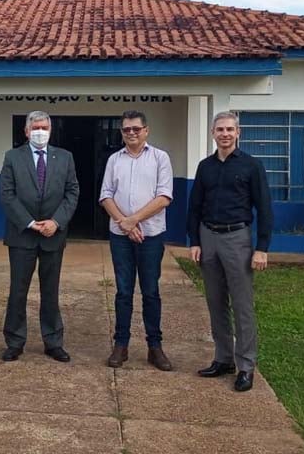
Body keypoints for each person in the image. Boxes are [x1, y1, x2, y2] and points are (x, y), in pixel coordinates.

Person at [187, 111, 273, 392]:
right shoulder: (205, 167)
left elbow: (265, 208)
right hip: (208, 236)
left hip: (237, 237)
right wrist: (195, 241)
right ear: (212, 133)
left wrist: (261, 248)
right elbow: (194, 206)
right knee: (215, 301)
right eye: (219, 129)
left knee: (242, 304)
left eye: (229, 129)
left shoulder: (251, 166)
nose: (224, 134)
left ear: (238, 133)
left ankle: (246, 365)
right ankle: (223, 358)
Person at [0, 110, 80, 363]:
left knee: (51, 291)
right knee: (18, 292)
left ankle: (53, 341)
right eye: (35, 127)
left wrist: (56, 222)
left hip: (53, 236)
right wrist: (30, 223)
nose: (40, 132)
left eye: (44, 127)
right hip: (22, 235)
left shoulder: (65, 157)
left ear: (50, 130)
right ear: (26, 131)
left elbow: (72, 192)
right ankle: (14, 341)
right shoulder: (12, 157)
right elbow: (7, 194)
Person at [98, 110, 174, 371]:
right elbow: (106, 195)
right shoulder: (114, 160)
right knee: (123, 292)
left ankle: (155, 347)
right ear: (121, 132)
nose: (131, 133)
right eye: (126, 129)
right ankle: (121, 345)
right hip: (120, 236)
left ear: (146, 130)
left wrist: (134, 220)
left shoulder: (160, 158)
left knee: (151, 291)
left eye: (136, 129)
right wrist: (125, 223)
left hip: (151, 235)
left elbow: (164, 197)